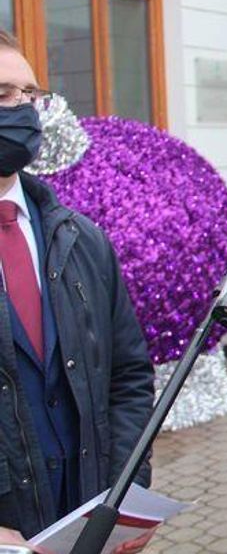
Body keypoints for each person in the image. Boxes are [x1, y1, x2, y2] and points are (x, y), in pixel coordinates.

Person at [0, 31, 155, 553]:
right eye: (3, 95)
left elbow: (128, 376)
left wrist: (125, 494)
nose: (23, 109)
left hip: (84, 525)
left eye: (30, 94)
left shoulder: (80, 239)